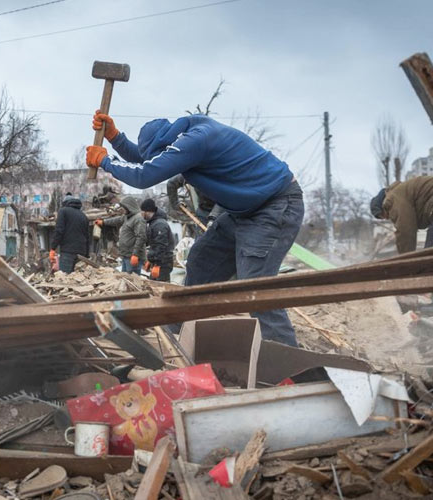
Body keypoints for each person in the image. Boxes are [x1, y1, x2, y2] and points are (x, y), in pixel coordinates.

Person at [87, 111, 304, 346]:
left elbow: (145, 175)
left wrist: (106, 162)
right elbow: (147, 160)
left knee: (255, 285)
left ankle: (289, 365)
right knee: (201, 262)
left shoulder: (196, 140)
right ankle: (179, 338)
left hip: (275, 205)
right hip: (243, 211)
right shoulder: (180, 137)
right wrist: (115, 137)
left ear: (167, 146)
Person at [370, 176, 433, 254]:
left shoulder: (392, 199)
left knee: (429, 254)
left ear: (382, 207)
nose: (386, 218)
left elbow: (405, 231)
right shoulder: (401, 192)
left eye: (382, 215)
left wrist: (405, 260)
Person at [95, 196, 146, 274]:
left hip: (132, 256)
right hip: (126, 255)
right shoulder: (127, 217)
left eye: (124, 207)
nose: (123, 209)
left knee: (131, 281)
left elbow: (141, 237)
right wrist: (103, 222)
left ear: (129, 207)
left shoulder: (138, 219)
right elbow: (116, 220)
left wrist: (135, 254)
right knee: (124, 278)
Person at [50, 193, 90, 273]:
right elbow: (87, 237)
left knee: (65, 278)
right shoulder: (83, 216)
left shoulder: (63, 211)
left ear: (65, 203)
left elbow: (59, 231)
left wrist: (53, 248)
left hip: (67, 252)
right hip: (81, 253)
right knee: (78, 279)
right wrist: (87, 255)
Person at [140, 198, 175, 282]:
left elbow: (161, 246)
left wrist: (157, 264)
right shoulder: (153, 223)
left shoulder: (159, 224)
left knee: (161, 287)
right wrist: (151, 260)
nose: (141, 214)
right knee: (155, 286)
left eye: (142, 212)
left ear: (147, 211)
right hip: (159, 262)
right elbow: (153, 244)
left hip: (163, 263)